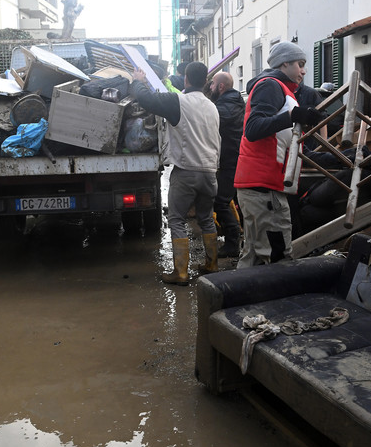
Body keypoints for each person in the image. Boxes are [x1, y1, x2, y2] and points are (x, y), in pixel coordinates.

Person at [234, 41, 324, 268]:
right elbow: (253, 129)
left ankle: (238, 301)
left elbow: (283, 142)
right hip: (264, 188)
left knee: (253, 255)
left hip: (260, 186)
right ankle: (270, 304)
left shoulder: (282, 90)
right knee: (276, 258)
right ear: (284, 63)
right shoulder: (270, 86)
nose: (304, 71)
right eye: (300, 64)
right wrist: (293, 116)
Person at [131, 62, 221, 285]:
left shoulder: (178, 102)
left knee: (177, 220)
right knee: (207, 219)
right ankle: (212, 265)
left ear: (186, 79)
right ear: (205, 81)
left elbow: (146, 100)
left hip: (186, 172)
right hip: (210, 172)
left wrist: (138, 81)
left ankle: (181, 273)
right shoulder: (212, 106)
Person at [209, 71, 245, 258]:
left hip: (232, 160)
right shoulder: (231, 101)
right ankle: (241, 240)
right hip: (233, 158)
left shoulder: (226, 107)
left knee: (220, 202)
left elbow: (212, 120)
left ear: (221, 87)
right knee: (235, 201)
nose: (210, 88)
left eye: (213, 84)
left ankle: (233, 244)